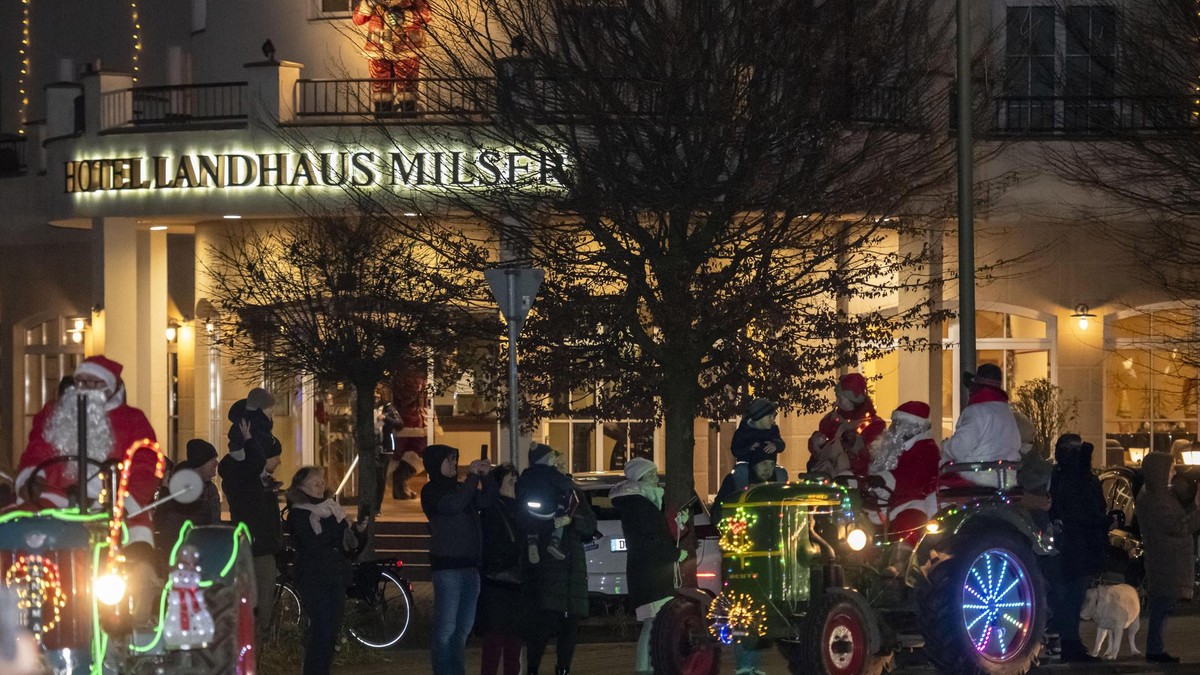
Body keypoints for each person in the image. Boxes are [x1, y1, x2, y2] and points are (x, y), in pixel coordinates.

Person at [15, 356, 158, 544]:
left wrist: (126, 499)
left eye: (94, 383)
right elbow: (36, 450)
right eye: (81, 381)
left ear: (110, 387)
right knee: (18, 529)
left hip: (112, 503)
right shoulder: (54, 414)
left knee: (137, 545)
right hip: (57, 497)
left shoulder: (133, 420)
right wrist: (33, 478)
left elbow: (145, 465)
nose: (86, 388)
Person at [422, 444, 495, 675]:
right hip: (447, 567)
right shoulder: (431, 490)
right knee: (446, 629)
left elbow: (486, 502)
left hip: (470, 567)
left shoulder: (462, 488)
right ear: (435, 464)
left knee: (463, 628)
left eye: (455, 459)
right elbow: (453, 506)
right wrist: (473, 478)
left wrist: (487, 475)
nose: (454, 464)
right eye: (449, 460)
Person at [286, 466, 367, 675]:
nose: (321, 485)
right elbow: (313, 543)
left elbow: (348, 546)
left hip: (336, 576)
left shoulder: (332, 508)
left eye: (322, 481)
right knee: (321, 629)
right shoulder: (299, 513)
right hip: (314, 578)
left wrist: (359, 532)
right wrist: (339, 527)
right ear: (301, 487)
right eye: (315, 482)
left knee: (331, 631)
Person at [713, 451, 787, 675]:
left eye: (771, 464)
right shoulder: (737, 488)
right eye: (763, 463)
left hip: (774, 557)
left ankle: (755, 665)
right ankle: (745, 664)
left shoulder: (776, 488)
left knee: (766, 612)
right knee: (744, 610)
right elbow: (719, 514)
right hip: (743, 556)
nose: (767, 468)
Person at [610, 457, 685, 675]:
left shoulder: (638, 503)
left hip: (646, 571)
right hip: (651, 573)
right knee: (653, 623)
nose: (656, 479)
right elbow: (652, 539)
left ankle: (647, 667)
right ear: (640, 478)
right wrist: (675, 554)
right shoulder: (641, 505)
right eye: (651, 474)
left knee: (652, 622)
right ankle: (645, 668)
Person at [219, 396, 284, 642]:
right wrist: (249, 440)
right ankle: (255, 643)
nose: (278, 461)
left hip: (263, 543)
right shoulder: (240, 472)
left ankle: (258, 641)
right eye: (274, 456)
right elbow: (255, 461)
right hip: (257, 546)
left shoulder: (254, 477)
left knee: (262, 595)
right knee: (259, 596)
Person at [520, 466, 597, 675]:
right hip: (548, 570)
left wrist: (573, 520)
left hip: (573, 569)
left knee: (570, 626)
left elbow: (590, 525)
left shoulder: (574, 494)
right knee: (542, 625)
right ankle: (532, 669)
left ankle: (563, 669)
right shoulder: (536, 490)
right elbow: (528, 521)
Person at [1046, 435, 1106, 663]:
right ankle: (1070, 643)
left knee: (1070, 597)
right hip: (1077, 546)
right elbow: (1086, 511)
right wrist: (1101, 522)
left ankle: (1069, 642)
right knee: (1072, 596)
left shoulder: (1060, 476)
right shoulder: (1077, 478)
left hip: (1071, 545)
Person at [1136, 451, 1200, 664]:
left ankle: (1156, 648)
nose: (1173, 473)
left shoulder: (1160, 494)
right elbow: (1179, 526)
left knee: (1162, 605)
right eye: (1171, 468)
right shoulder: (1156, 499)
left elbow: (1180, 520)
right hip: (1165, 560)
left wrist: (1193, 507)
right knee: (1162, 605)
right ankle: (1155, 650)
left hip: (1166, 558)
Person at [866, 401, 939, 567]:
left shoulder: (927, 449)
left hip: (913, 504)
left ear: (911, 427)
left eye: (898, 424)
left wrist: (884, 480)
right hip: (888, 501)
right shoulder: (897, 448)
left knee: (907, 526)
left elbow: (913, 479)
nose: (892, 428)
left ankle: (900, 569)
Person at [477, 464, 525, 675]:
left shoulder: (520, 508)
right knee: (495, 638)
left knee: (514, 640)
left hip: (516, 582)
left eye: (516, 479)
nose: (515, 483)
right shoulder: (493, 509)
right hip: (497, 583)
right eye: (510, 480)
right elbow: (493, 543)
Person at [352, 0, 431, 113]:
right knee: (381, 88)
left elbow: (426, 14)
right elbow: (357, 19)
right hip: (378, 49)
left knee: (407, 88)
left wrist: (406, 16)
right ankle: (383, 118)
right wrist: (368, 5)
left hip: (406, 49)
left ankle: (409, 120)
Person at [940, 364, 1021, 469]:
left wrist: (944, 445)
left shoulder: (975, 411)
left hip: (978, 475)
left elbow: (959, 449)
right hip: (1006, 476)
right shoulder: (1006, 411)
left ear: (975, 389)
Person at [808, 373, 885, 478]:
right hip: (824, 477)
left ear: (854, 400)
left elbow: (875, 459)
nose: (837, 402)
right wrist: (815, 444)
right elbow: (818, 455)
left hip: (855, 482)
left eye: (840, 398)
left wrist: (855, 446)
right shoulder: (830, 420)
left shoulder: (874, 426)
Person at [155, 439, 222, 551]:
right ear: (199, 464)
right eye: (212, 460)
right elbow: (167, 522)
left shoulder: (211, 488)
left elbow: (214, 522)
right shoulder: (181, 489)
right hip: (184, 551)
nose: (216, 463)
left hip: (207, 548)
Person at [516, 443, 575, 564]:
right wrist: (568, 479)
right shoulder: (551, 472)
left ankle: (532, 541)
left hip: (531, 510)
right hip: (549, 510)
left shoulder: (526, 473)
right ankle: (555, 542)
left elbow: (519, 489)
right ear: (545, 459)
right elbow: (566, 484)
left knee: (530, 523)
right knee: (561, 513)